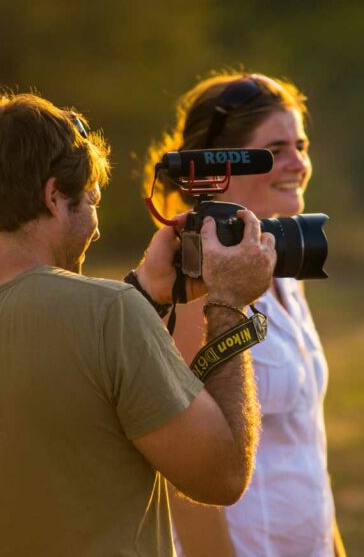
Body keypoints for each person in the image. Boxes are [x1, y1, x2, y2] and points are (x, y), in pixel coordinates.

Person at [0, 93, 277, 556]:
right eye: (92, 201)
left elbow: (55, 411)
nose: (97, 228)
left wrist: (146, 290)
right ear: (53, 197)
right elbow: (222, 475)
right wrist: (228, 302)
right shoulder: (109, 314)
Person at [145, 72, 342, 557]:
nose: (298, 163)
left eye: (301, 145)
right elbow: (186, 477)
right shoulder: (194, 286)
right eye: (276, 150)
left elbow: (306, 445)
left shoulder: (279, 268)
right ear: (220, 166)